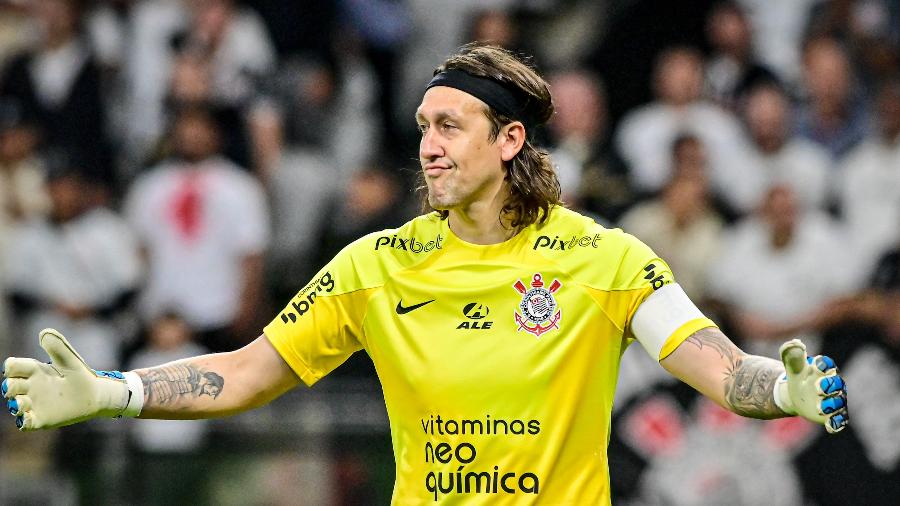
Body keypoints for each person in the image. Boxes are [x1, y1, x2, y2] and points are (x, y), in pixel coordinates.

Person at [2, 44, 848, 505]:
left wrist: (784, 393)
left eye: (450, 125)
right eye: (421, 126)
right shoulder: (376, 265)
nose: (428, 146)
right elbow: (246, 373)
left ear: (510, 141)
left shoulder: (605, 259)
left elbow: (720, 367)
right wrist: (114, 391)